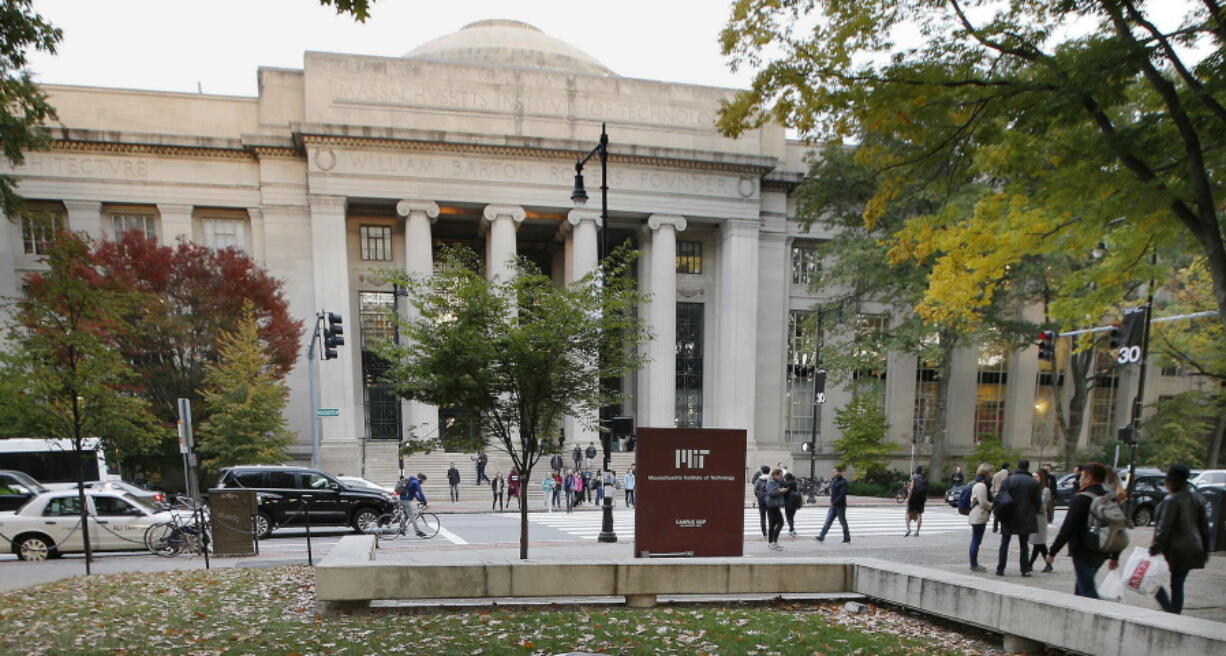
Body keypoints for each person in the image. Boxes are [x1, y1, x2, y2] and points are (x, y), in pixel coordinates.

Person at [1047, 462, 1122, 597]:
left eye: (1082, 476)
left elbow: (1068, 527)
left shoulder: (1081, 498)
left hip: (1083, 549)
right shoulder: (1109, 498)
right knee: (1082, 586)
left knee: (1087, 591)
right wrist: (1115, 556)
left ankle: (1098, 615)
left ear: (1088, 478)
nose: (1080, 479)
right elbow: (1117, 526)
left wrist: (1052, 552)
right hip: (1103, 548)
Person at [1150, 464, 1210, 614]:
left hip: (1177, 548)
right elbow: (1205, 528)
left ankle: (1173, 612)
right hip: (1194, 547)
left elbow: (1164, 527)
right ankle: (1173, 611)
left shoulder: (1172, 500)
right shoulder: (1198, 498)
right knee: (1178, 583)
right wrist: (1205, 549)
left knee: (1173, 583)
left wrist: (1155, 546)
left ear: (1172, 481)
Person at [996, 459, 1041, 577]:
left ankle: (1000, 568)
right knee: (1024, 545)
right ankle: (1025, 569)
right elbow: (1038, 502)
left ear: (1017, 466)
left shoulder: (1008, 480)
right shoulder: (1033, 482)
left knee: (1004, 543)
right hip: (1025, 517)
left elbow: (1000, 498)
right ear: (1028, 467)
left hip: (1008, 515)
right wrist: (1032, 512)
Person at [1028, 468, 1055, 573]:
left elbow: (1042, 503)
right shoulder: (1033, 489)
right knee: (1039, 543)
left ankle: (1030, 564)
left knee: (1038, 542)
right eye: (1033, 477)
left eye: (1037, 477)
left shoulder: (1045, 490)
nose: (1034, 479)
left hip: (1040, 518)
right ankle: (1048, 564)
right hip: (1034, 517)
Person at [967, 463, 993, 572]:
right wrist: (993, 505)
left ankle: (974, 563)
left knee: (976, 540)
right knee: (976, 541)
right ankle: (973, 564)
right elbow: (983, 503)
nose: (992, 474)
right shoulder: (981, 485)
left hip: (977, 514)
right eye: (991, 471)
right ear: (986, 472)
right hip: (979, 515)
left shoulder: (978, 484)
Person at [815, 465, 851, 544]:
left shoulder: (843, 482)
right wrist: (832, 502)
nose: (834, 473)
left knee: (842, 522)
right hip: (834, 505)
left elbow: (842, 495)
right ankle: (821, 537)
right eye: (833, 472)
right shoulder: (836, 481)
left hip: (840, 506)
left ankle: (847, 538)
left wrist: (834, 503)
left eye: (835, 472)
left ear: (840, 472)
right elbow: (834, 494)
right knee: (828, 521)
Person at [765, 468, 789, 550]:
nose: (781, 477)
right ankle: (774, 542)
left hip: (772, 506)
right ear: (776, 475)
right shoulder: (771, 482)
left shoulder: (775, 481)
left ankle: (771, 543)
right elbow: (772, 493)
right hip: (773, 506)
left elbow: (783, 484)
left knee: (772, 525)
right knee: (780, 523)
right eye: (780, 475)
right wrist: (782, 490)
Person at [398, 472, 429, 538]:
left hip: (403, 498)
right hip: (405, 500)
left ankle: (401, 529)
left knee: (407, 514)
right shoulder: (416, 483)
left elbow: (414, 493)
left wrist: (421, 500)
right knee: (412, 515)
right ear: (421, 479)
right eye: (423, 480)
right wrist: (425, 502)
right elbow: (420, 493)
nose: (423, 482)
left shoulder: (413, 482)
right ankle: (417, 531)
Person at [905, 466, 928, 537]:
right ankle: (917, 531)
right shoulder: (924, 479)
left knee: (908, 513)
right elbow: (926, 490)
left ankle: (908, 529)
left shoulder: (914, 477)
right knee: (919, 514)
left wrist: (908, 497)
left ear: (916, 471)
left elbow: (911, 487)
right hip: (921, 498)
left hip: (913, 498)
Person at [991, 463, 1011, 533]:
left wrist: (993, 493)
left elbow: (992, 485)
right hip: (1005, 494)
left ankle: (995, 528)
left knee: (996, 512)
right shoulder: (1008, 474)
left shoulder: (996, 474)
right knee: (1005, 512)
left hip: (996, 494)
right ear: (1008, 467)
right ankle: (1003, 527)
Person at [753, 465, 771, 537]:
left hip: (761, 499)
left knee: (762, 516)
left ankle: (764, 533)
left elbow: (755, 491)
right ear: (769, 471)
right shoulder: (771, 479)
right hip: (770, 500)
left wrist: (759, 497)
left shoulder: (758, 480)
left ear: (762, 471)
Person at [783, 472, 802, 537]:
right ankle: (792, 529)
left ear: (787, 478)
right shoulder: (795, 482)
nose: (784, 479)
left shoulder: (789, 483)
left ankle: (792, 530)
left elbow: (783, 485)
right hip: (795, 502)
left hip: (789, 502)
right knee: (791, 516)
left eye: (785, 478)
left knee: (789, 517)